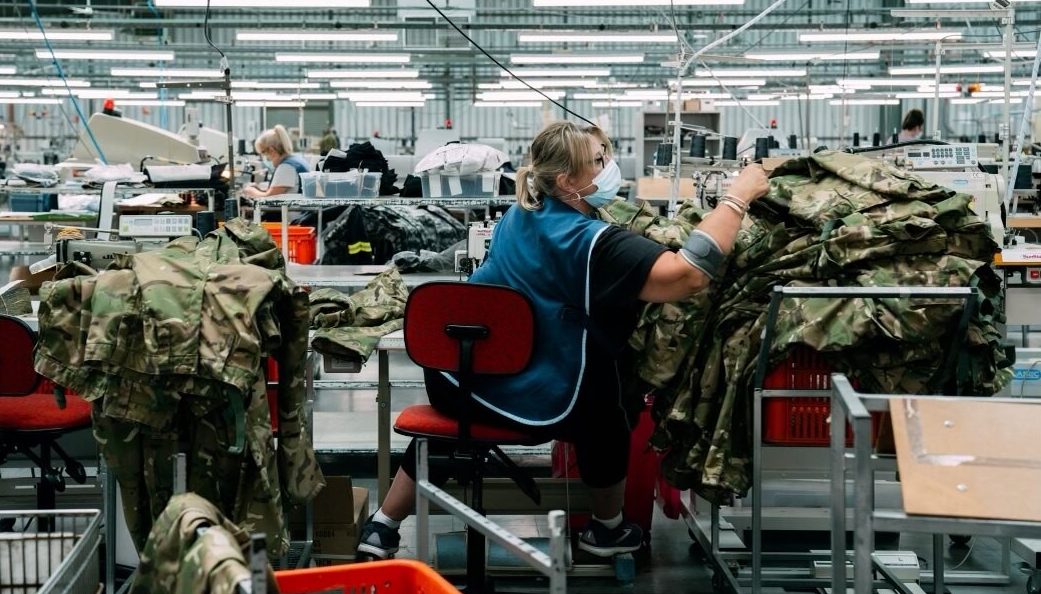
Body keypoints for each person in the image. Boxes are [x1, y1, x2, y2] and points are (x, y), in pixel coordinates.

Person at [357, 120, 770, 561]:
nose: (609, 166)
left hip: (458, 380)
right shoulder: (588, 241)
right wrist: (737, 197)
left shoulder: (520, 214)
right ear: (567, 181)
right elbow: (688, 275)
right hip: (530, 396)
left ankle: (382, 526)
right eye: (598, 161)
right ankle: (607, 531)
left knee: (458, 425)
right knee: (607, 411)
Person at [242, 125, 309, 199]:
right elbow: (282, 192)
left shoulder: (286, 168)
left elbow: (270, 198)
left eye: (264, 154)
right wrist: (260, 190)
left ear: (272, 151)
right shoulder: (296, 160)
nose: (266, 159)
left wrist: (251, 191)